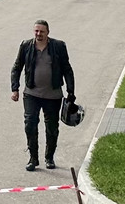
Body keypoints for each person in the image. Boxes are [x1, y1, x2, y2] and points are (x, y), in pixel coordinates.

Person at [9, 19, 76, 171]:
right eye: (36, 31)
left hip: (53, 96)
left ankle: (49, 157)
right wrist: (15, 89)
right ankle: (33, 158)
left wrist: (71, 91)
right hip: (31, 94)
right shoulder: (26, 46)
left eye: (42, 31)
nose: (38, 34)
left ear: (48, 32)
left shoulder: (58, 46)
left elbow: (67, 69)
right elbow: (17, 67)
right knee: (30, 125)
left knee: (52, 127)